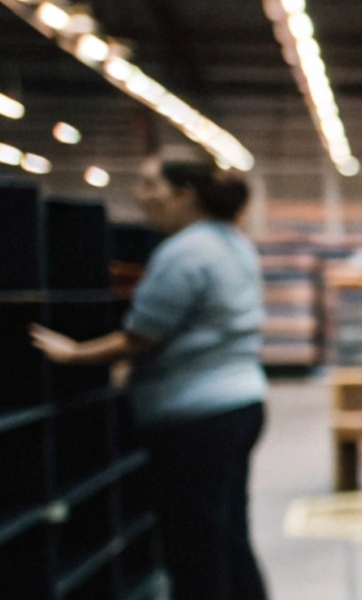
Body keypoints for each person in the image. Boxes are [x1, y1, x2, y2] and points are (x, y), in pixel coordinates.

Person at [32, 159, 269, 600]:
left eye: (149, 184)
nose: (141, 195)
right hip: (240, 405)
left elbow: (142, 336)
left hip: (193, 418)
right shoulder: (233, 242)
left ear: (184, 193)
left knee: (194, 549)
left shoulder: (183, 252)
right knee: (228, 536)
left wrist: (75, 352)